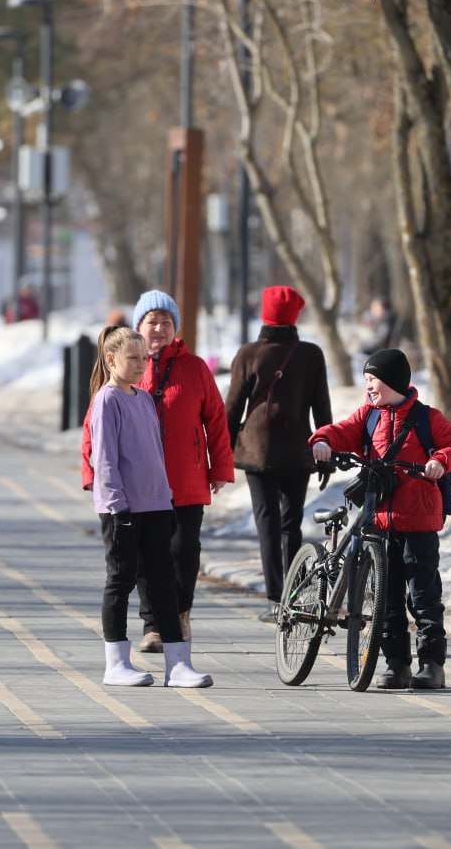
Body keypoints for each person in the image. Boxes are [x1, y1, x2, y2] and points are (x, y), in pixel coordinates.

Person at [310, 348, 451, 690]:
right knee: (386, 598)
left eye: (374, 380)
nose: (369, 387)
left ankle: (432, 665)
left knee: (423, 595)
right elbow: (342, 431)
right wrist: (322, 440)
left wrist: (441, 460)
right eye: (367, 380)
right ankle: (396, 664)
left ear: (394, 382)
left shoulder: (428, 419)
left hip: (419, 523)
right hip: (379, 522)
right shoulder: (368, 416)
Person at [80, 290, 235, 653]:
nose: (160, 328)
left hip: (186, 478)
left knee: (184, 551)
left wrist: (220, 467)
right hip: (141, 484)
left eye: (167, 322)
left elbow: (216, 419)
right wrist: (92, 476)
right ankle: (153, 626)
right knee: (149, 558)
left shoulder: (195, 368)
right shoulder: (128, 368)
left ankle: (179, 613)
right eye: (152, 321)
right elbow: (94, 428)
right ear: (139, 326)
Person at [88, 325, 211, 688]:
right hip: (122, 509)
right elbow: (105, 460)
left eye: (144, 358)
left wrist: (166, 497)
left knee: (164, 582)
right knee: (121, 580)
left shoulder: (143, 398)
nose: (142, 364)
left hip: (156, 505)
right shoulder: (107, 400)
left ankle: (178, 664)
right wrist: (117, 508)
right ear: (111, 360)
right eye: (133, 358)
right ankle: (116, 663)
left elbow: (155, 455)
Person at [224, 285, 332, 621]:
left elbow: (233, 407)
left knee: (267, 523)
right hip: (298, 451)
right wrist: (326, 445)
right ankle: (295, 594)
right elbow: (322, 407)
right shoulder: (311, 354)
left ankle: (275, 599)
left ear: (264, 314)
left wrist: (223, 450)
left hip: (257, 451)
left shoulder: (248, 353)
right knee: (291, 524)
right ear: (295, 316)